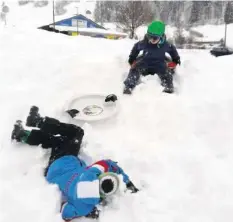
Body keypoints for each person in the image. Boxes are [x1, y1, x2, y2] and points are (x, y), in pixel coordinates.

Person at [11, 106, 139, 220]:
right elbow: (66, 212)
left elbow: (109, 164)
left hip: (65, 161)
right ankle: (22, 135)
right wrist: (86, 211)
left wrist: (127, 182)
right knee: (58, 142)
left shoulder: (93, 172)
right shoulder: (85, 207)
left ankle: (37, 122)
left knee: (77, 132)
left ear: (100, 177)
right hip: (53, 173)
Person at [123, 20, 181, 94]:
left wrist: (176, 59)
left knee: (167, 73)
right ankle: (128, 86)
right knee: (134, 70)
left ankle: (168, 87)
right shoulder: (144, 43)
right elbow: (136, 47)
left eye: (155, 38)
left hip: (159, 64)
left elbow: (172, 50)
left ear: (161, 36)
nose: (152, 40)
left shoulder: (165, 45)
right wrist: (132, 58)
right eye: (149, 37)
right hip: (145, 62)